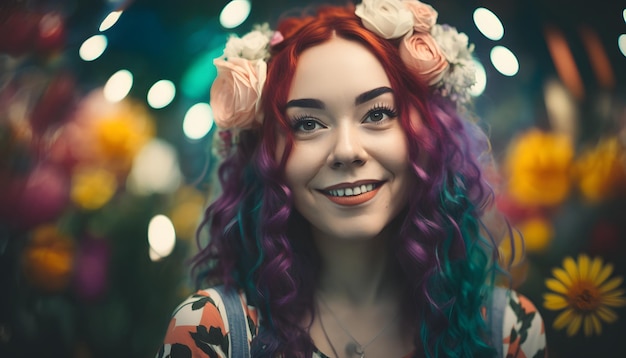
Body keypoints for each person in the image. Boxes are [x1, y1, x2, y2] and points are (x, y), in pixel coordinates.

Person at [157, 0, 547, 357]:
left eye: (377, 114)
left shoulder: (509, 332)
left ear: (430, 134)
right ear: (265, 154)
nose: (346, 150)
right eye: (307, 123)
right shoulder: (211, 332)